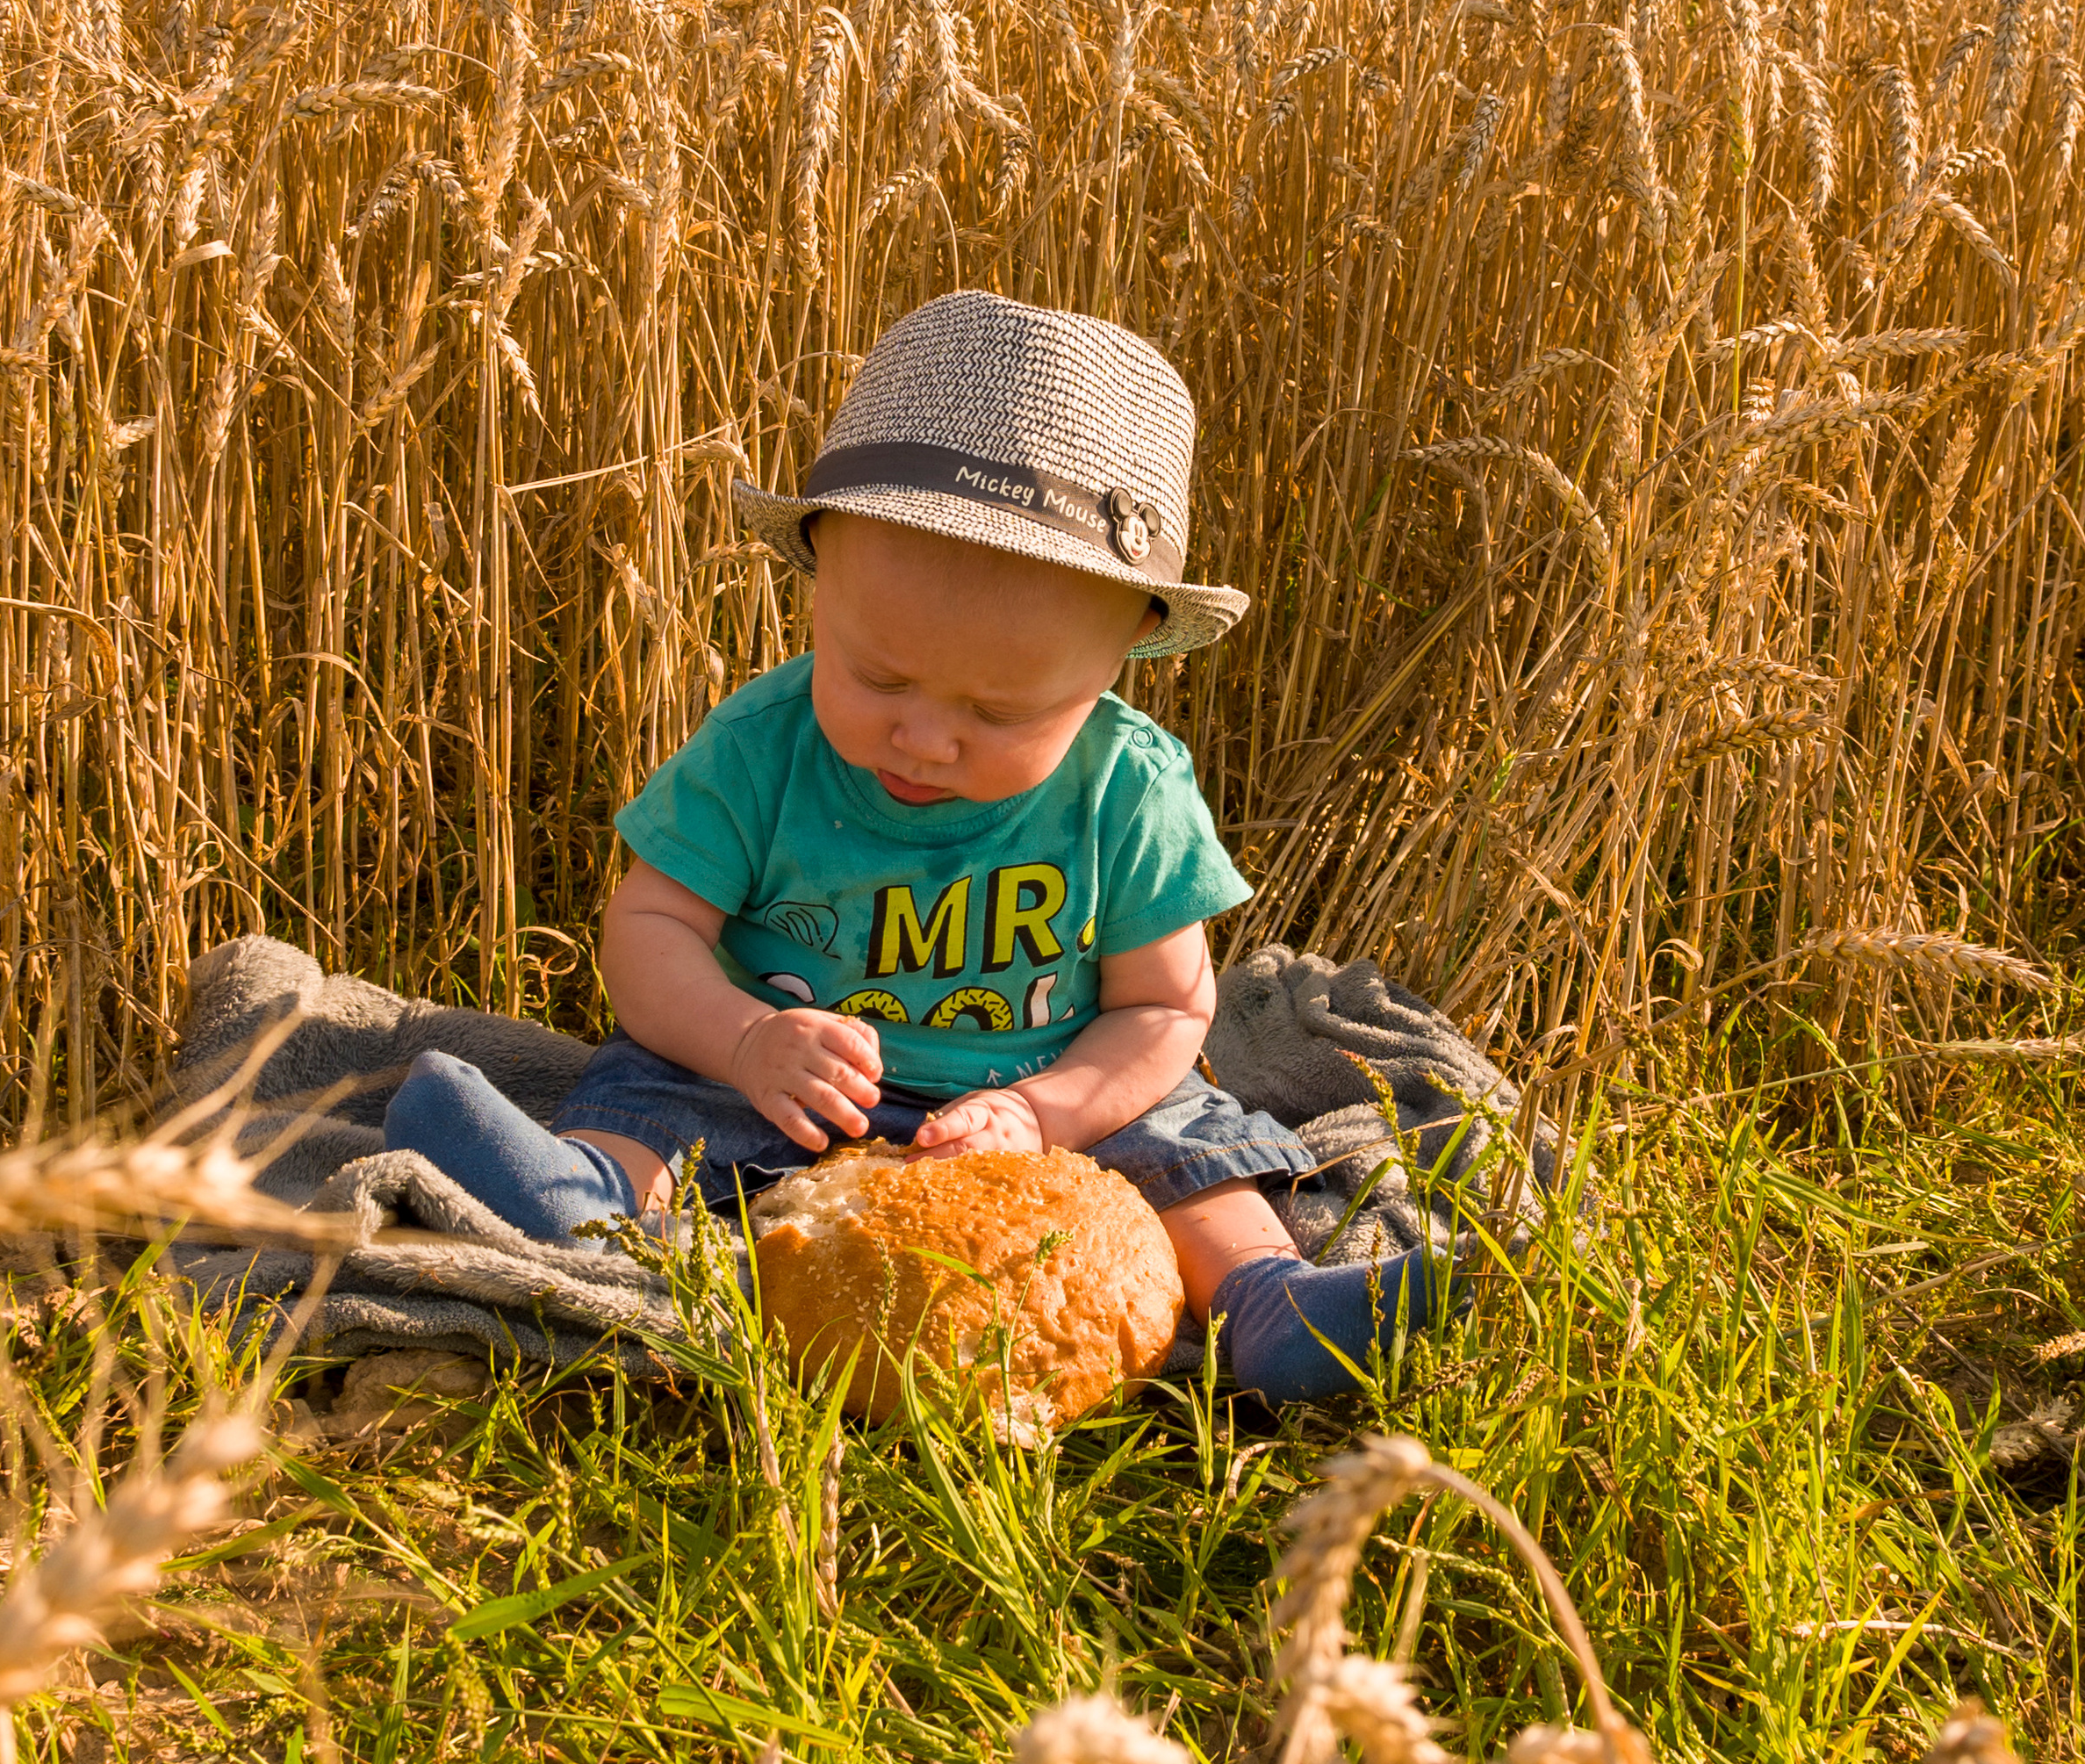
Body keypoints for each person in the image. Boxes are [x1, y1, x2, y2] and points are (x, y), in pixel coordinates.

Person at [382, 291, 1441, 1400]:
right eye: (877, 676)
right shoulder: (761, 748)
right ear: (818, 577)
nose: (925, 739)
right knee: (655, 1096)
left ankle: (1269, 1301)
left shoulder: (1127, 789)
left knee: (1188, 1140)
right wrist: (744, 1039)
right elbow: (652, 926)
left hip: (1040, 1092)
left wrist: (1046, 1112)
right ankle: (582, 1209)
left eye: (1000, 711)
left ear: (1124, 651)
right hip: (778, 1079)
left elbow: (1166, 1010)